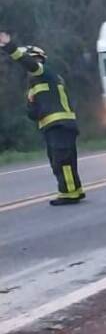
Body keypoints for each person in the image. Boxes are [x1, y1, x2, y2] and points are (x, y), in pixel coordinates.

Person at [0, 31, 85, 205]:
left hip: (60, 124)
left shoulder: (45, 73)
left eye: (27, 60)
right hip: (51, 127)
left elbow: (29, 64)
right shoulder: (35, 85)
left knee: (63, 160)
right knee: (58, 161)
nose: (25, 68)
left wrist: (10, 47)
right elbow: (33, 114)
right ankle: (73, 190)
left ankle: (70, 193)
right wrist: (31, 105)